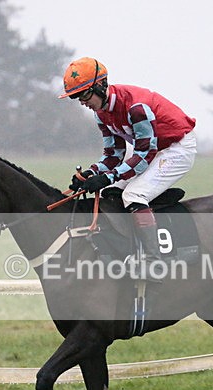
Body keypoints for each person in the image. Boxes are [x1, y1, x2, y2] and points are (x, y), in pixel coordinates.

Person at [58, 57, 197, 277]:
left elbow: (143, 156)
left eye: (84, 94)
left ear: (101, 86)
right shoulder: (101, 113)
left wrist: (108, 177)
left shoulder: (136, 107)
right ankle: (127, 249)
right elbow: (114, 155)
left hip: (176, 148)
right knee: (108, 191)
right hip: (150, 147)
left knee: (134, 194)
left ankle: (153, 261)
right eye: (76, 97)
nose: (82, 101)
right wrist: (91, 174)